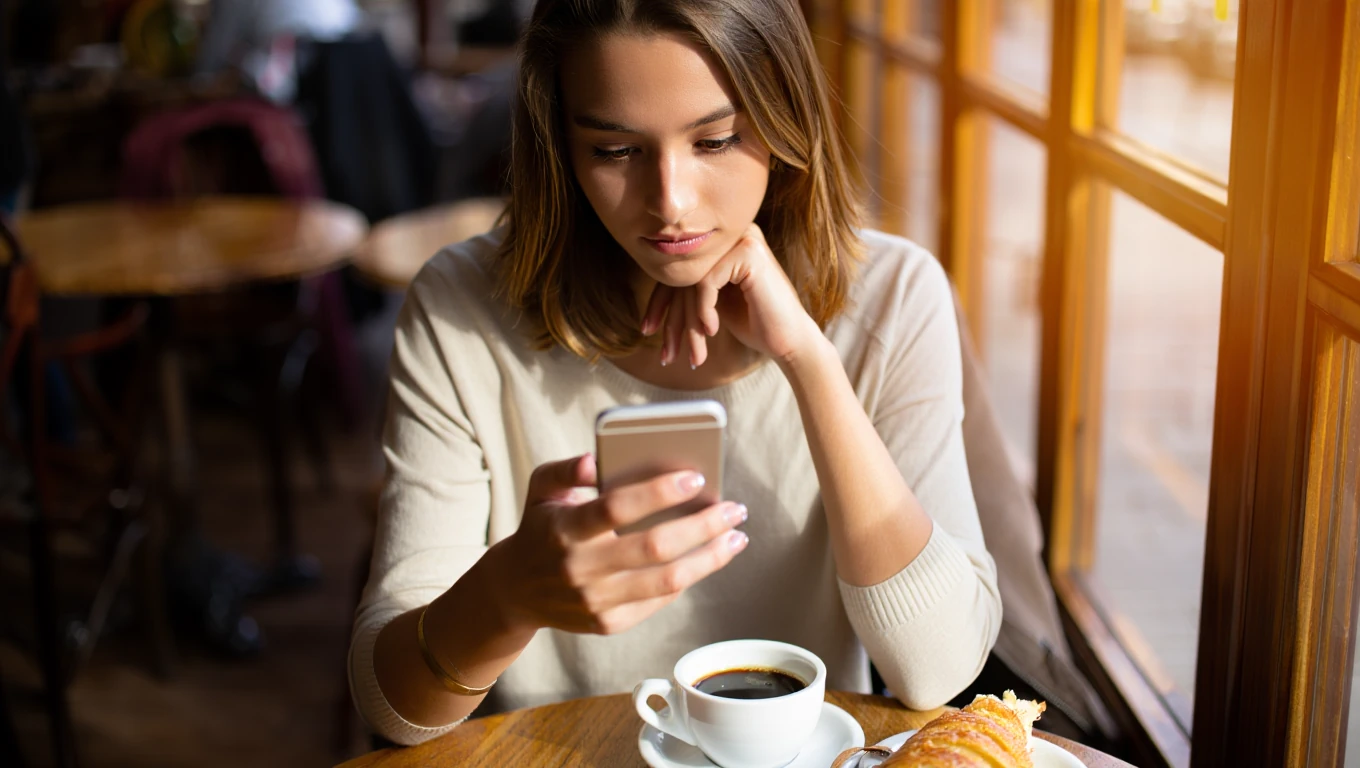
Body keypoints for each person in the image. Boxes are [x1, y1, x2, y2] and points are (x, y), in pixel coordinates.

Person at [350, 0, 1001, 746]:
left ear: (786, 120)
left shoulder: (893, 296)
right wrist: (506, 596)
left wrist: (809, 358)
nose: (671, 203)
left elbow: (938, 669)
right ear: (560, 144)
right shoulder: (461, 309)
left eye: (716, 140)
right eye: (615, 150)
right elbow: (390, 705)